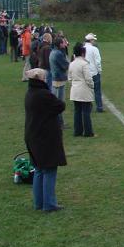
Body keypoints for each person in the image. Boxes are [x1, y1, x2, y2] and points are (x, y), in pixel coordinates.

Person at [24, 67, 67, 212]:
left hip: (33, 135)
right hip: (44, 137)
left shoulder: (30, 93)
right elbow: (60, 105)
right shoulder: (43, 94)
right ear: (40, 79)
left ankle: (39, 202)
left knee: (39, 170)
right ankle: (48, 204)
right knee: (49, 169)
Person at [68, 42, 95, 137]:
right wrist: (92, 86)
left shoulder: (72, 64)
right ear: (83, 53)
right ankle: (88, 132)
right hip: (84, 90)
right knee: (86, 111)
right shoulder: (84, 64)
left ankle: (77, 131)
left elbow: (70, 78)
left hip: (75, 90)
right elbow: (88, 78)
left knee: (77, 111)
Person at [50, 36, 70, 128]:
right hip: (59, 79)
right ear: (60, 44)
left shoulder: (53, 52)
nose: (64, 44)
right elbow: (65, 66)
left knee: (57, 101)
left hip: (55, 78)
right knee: (59, 102)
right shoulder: (58, 54)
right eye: (63, 43)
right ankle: (59, 123)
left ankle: (58, 122)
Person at [84, 33, 103, 112]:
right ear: (91, 40)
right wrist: (99, 71)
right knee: (97, 91)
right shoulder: (94, 49)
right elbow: (98, 62)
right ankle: (99, 107)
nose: (94, 41)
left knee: (86, 91)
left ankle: (88, 107)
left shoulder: (82, 48)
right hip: (94, 73)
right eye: (94, 40)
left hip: (85, 73)